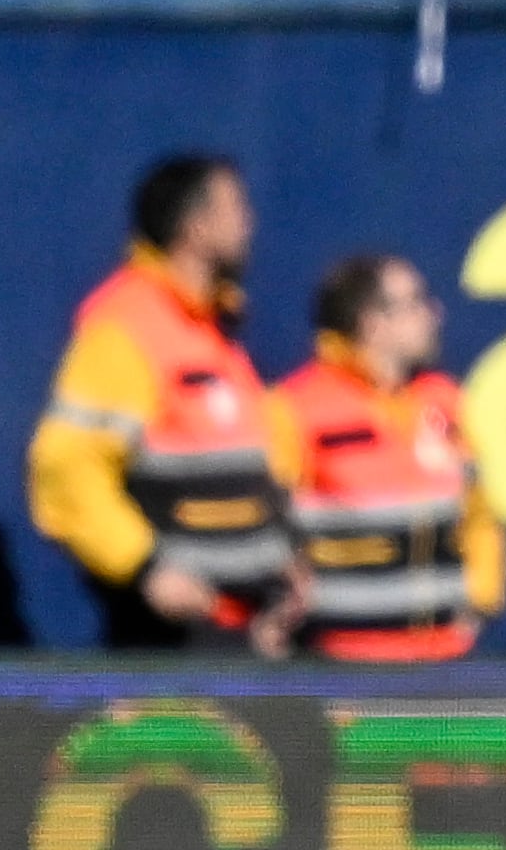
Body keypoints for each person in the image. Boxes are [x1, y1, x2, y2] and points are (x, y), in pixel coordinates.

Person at [31, 151, 307, 652]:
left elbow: (243, 467)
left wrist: (281, 564)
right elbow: (65, 467)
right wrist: (147, 569)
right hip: (177, 640)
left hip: (242, 633)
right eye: (237, 209)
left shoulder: (211, 329)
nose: (251, 224)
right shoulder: (127, 326)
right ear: (197, 228)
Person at [274, 253, 505, 664]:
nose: (434, 313)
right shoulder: (296, 408)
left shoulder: (445, 402)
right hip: (341, 662)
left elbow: (481, 513)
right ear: (372, 323)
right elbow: (268, 524)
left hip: (444, 659)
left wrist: (481, 597)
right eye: (416, 302)